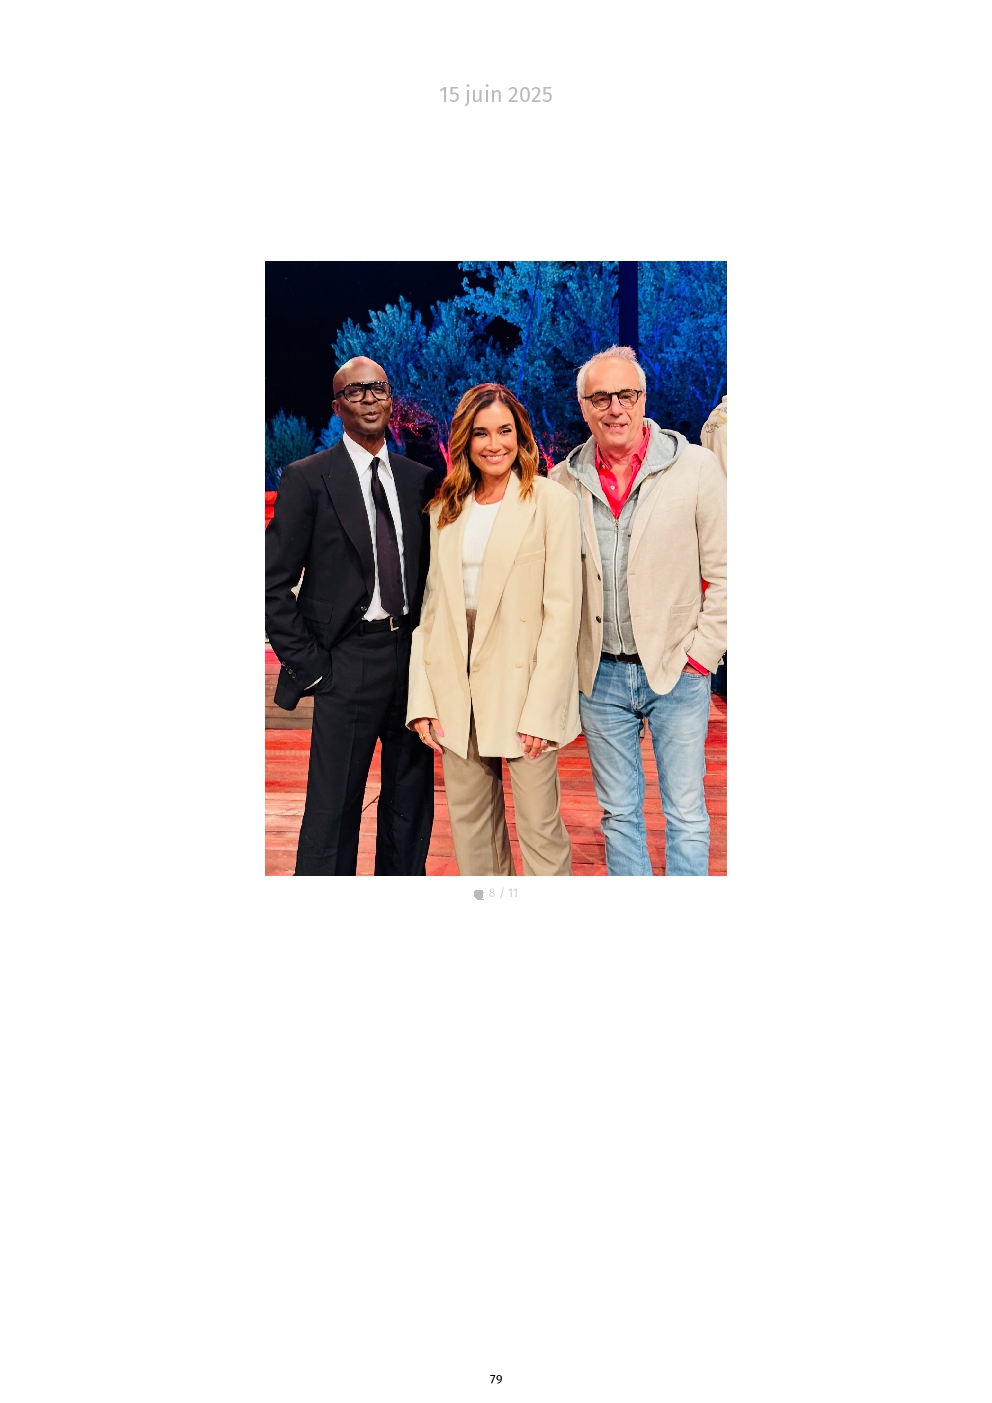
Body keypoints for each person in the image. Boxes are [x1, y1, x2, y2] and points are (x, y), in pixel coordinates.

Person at [550, 346, 726, 876]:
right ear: (584, 407)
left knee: (687, 813)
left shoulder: (696, 468)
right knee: (619, 815)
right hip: (600, 678)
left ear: (643, 399)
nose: (615, 409)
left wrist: (701, 655)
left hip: (677, 669)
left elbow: (728, 572)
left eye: (626, 395)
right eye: (600, 398)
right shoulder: (562, 482)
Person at [265, 357, 438, 875]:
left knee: (410, 806)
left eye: (378, 388)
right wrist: (312, 667)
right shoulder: (307, 478)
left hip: (411, 661)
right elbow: (271, 584)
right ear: (336, 406)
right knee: (333, 810)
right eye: (355, 391)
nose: (368, 399)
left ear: (391, 399)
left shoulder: (418, 480)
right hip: (345, 663)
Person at [407, 384, 581, 876]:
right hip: (455, 687)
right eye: (481, 433)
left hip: (522, 687)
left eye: (505, 431)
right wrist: (423, 699)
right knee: (472, 834)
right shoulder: (445, 510)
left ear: (520, 435)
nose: (494, 444)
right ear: (465, 439)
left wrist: (543, 709)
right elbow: (432, 611)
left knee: (541, 832)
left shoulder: (550, 502)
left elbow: (563, 611)